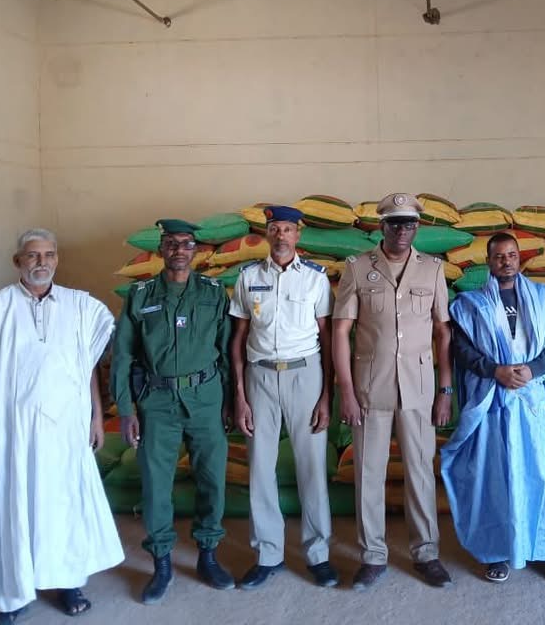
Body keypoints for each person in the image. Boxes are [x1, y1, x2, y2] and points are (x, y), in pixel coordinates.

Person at [0, 229, 122, 624]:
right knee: (13, 508)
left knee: (65, 505)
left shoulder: (80, 306)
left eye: (48, 255)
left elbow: (87, 367)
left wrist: (96, 416)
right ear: (18, 262)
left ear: (57, 259)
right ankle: (11, 598)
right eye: (32, 255)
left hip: (65, 431)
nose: (41, 262)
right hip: (11, 435)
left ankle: (68, 582)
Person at [442, 233, 545, 586]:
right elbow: (462, 349)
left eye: (511, 255)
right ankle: (497, 550)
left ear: (520, 258)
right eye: (499, 256)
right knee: (496, 477)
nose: (506, 261)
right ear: (488, 261)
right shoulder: (470, 304)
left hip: (538, 401)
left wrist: (533, 369)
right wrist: (495, 371)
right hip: (494, 402)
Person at [331, 193, 453, 591]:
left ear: (418, 228)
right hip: (371, 387)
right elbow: (341, 331)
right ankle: (372, 555)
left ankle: (427, 553)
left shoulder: (432, 269)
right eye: (395, 223)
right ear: (381, 226)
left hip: (418, 388)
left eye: (410, 224)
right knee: (369, 473)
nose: (403, 230)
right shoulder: (357, 268)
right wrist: (346, 391)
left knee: (420, 471)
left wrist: (445, 389)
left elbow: (443, 332)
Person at [111, 219, 234, 604]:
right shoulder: (140, 295)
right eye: (171, 243)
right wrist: (126, 409)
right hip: (157, 401)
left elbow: (227, 351)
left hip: (206, 397)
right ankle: (162, 562)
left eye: (186, 243)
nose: (179, 250)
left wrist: (230, 401)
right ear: (160, 249)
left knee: (212, 479)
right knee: (155, 483)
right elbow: (123, 355)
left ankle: (208, 555)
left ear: (196, 250)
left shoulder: (214, 292)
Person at [230, 206, 337, 589]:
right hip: (259, 376)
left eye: (287, 229)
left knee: (312, 467)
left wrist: (326, 395)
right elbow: (238, 338)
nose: (281, 235)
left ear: (297, 235)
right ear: (267, 234)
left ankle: (318, 554)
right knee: (260, 467)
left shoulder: (315, 278)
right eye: (274, 228)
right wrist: (240, 395)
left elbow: (327, 338)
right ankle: (268, 553)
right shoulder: (248, 277)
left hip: (304, 375)